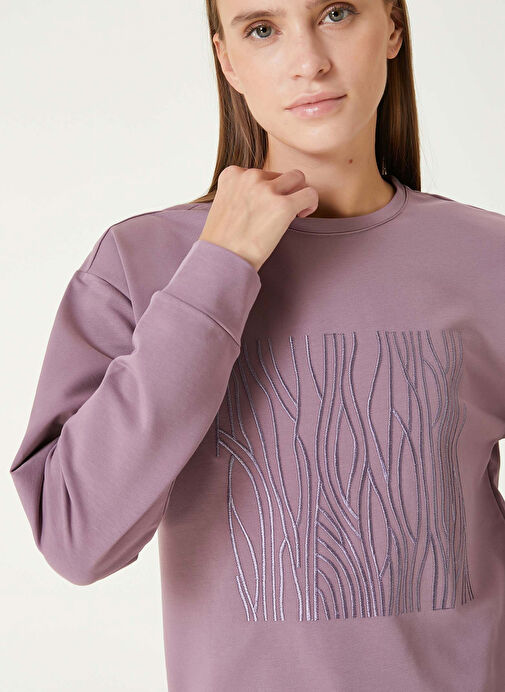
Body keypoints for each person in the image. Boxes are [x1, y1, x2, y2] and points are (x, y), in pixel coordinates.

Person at [9, 0, 505, 690]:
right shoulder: (142, 264)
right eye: (262, 29)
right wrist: (220, 266)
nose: (309, 61)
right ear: (228, 60)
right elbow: (76, 540)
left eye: (336, 13)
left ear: (391, 26)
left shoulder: (487, 259)